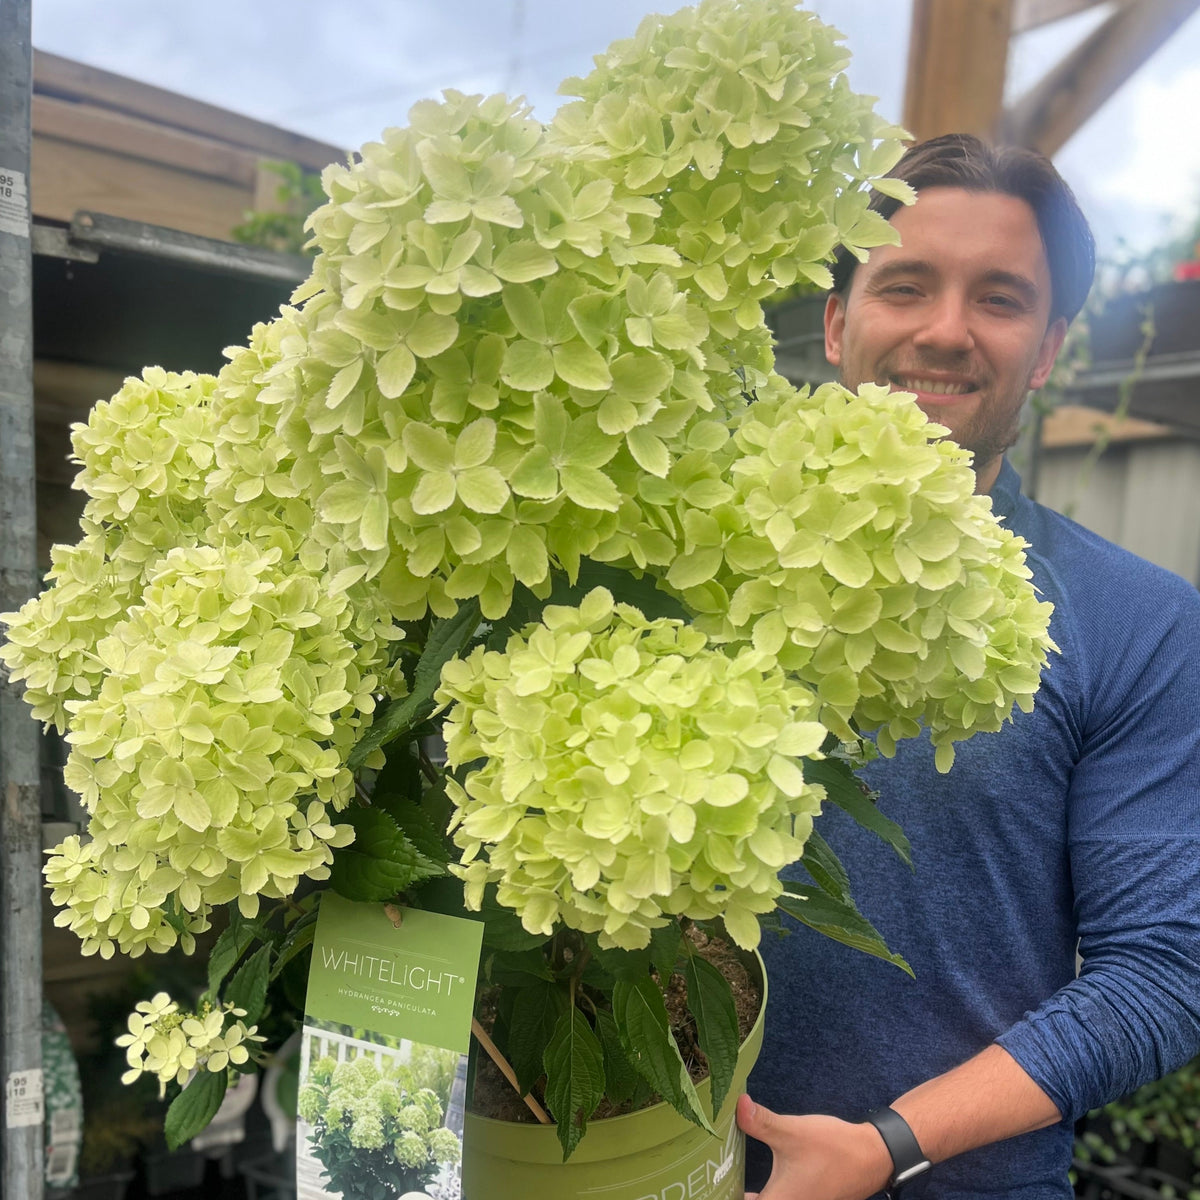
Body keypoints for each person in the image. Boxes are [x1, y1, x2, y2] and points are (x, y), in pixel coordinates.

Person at [739, 134, 1200, 1199]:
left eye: (999, 298)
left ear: (1046, 349)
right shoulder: (692, 563)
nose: (945, 331)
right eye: (905, 286)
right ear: (839, 321)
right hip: (657, 1166)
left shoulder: (1140, 622)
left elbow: (1168, 973)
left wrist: (886, 1146)